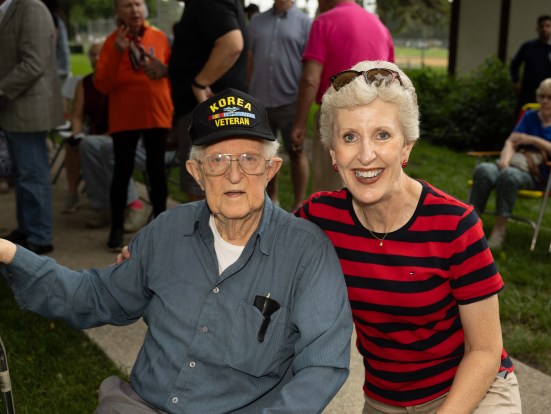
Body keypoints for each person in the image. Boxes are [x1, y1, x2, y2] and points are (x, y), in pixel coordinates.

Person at [0, 87, 352, 413]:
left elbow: (322, 364)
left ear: (271, 169)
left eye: (248, 158)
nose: (233, 175)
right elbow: (93, 296)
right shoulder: (166, 231)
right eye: (217, 160)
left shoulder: (307, 252)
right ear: (196, 173)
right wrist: (9, 253)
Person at [294, 60, 522, 413]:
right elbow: (260, 247)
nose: (366, 155)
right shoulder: (320, 218)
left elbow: (485, 351)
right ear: (333, 154)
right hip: (385, 402)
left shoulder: (455, 225)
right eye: (349, 137)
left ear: (406, 147)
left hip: (471, 392)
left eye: (382, 135)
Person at [291, 0, 394, 193]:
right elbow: (391, 81)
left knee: (331, 188)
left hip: (337, 115)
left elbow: (310, 79)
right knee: (369, 183)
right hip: (376, 117)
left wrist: (299, 123)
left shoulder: (323, 22)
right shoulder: (380, 27)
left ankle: (332, 222)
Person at [95, 0, 173, 251]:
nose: (134, 10)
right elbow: (102, 85)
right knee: (122, 171)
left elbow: (172, 71)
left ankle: (161, 225)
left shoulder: (160, 38)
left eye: (138, 3)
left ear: (145, 8)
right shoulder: (110, 42)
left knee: (157, 170)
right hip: (125, 115)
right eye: (127, 5)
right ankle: (117, 227)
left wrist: (165, 71)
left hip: (156, 113)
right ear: (117, 11)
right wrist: (118, 52)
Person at [470, 77, 551, 249]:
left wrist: (534, 140)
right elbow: (511, 142)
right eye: (542, 96)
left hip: (541, 176)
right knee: (484, 169)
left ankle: (499, 230)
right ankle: (470, 226)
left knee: (508, 175)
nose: (544, 101)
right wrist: (504, 161)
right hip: (514, 164)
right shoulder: (530, 116)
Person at [0, 0, 64, 254]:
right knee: (23, 174)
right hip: (15, 108)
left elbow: (34, 64)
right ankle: (27, 229)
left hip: (29, 109)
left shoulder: (31, 7)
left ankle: (40, 235)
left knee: (33, 174)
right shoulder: (10, 9)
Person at [168, 0, 248, 202]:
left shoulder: (206, 3)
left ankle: (205, 234)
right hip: (213, 109)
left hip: (205, 110)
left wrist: (200, 83)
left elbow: (232, 43)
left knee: (202, 185)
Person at [69, 42, 153, 231]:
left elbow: (132, 116)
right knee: (85, 144)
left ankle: (134, 205)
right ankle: (103, 206)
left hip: (128, 139)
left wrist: (114, 133)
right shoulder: (86, 83)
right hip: (98, 139)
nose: (96, 59)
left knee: (110, 147)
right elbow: (76, 115)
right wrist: (76, 132)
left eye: (100, 55)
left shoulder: (122, 81)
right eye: (92, 55)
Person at [247, 0, 312, 208]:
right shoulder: (256, 22)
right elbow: (249, 60)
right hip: (259, 102)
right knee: (265, 155)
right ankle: (272, 199)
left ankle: (299, 204)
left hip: (290, 102)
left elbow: (309, 66)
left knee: (296, 152)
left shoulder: (305, 23)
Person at [510, 14, 551, 114]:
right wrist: (516, 81)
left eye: (547, 26)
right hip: (529, 90)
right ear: (537, 28)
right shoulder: (528, 46)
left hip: (550, 91)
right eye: (542, 26)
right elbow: (515, 63)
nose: (544, 29)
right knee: (523, 116)